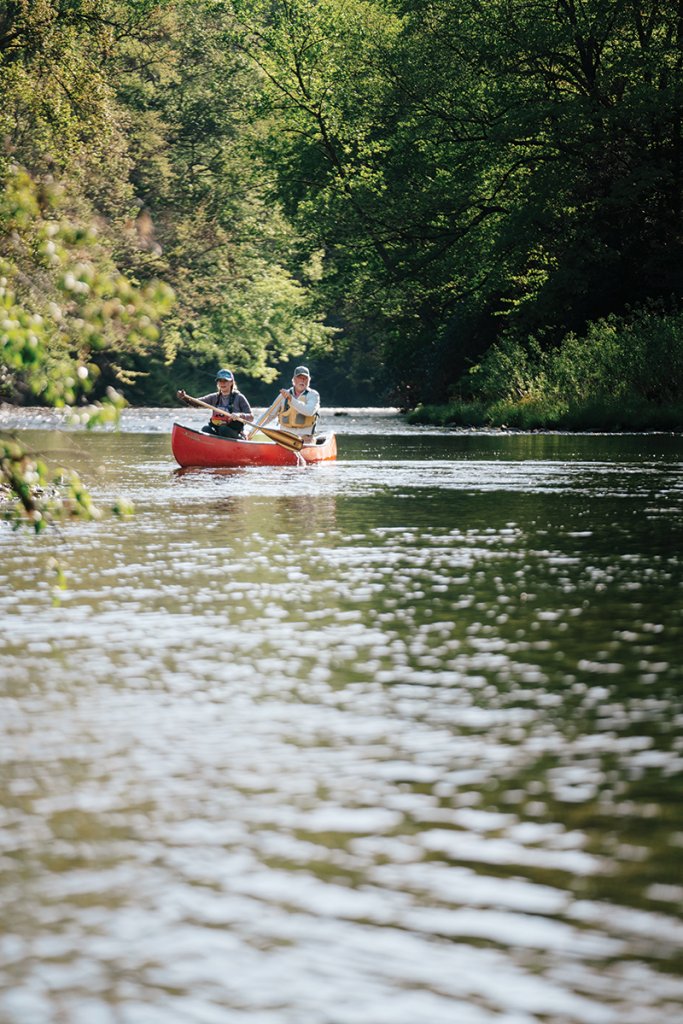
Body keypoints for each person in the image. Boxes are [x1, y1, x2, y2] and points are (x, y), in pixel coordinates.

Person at [178, 369, 253, 439]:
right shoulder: (214, 397)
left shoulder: (239, 397)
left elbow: (251, 417)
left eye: (225, 381)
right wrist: (184, 398)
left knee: (223, 429)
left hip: (233, 433)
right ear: (217, 383)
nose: (222, 383)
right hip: (218, 432)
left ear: (231, 382)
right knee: (205, 429)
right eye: (220, 381)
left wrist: (239, 415)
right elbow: (196, 403)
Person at [272, 365, 320, 442]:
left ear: (309, 380)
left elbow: (309, 412)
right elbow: (270, 415)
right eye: (300, 377)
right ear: (294, 380)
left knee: (307, 440)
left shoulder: (313, 395)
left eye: (305, 378)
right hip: (285, 437)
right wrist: (253, 431)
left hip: (304, 439)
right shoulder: (283, 395)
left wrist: (291, 399)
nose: (303, 380)